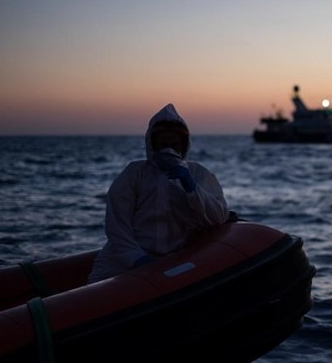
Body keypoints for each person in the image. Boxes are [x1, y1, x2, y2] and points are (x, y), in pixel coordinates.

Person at [87, 103, 230, 283]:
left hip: (175, 261)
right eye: (162, 145)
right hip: (123, 259)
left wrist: (192, 188)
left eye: (174, 145)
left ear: (183, 147)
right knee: (96, 293)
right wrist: (137, 259)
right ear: (152, 145)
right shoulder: (134, 173)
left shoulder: (199, 174)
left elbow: (218, 216)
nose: (168, 150)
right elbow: (117, 226)